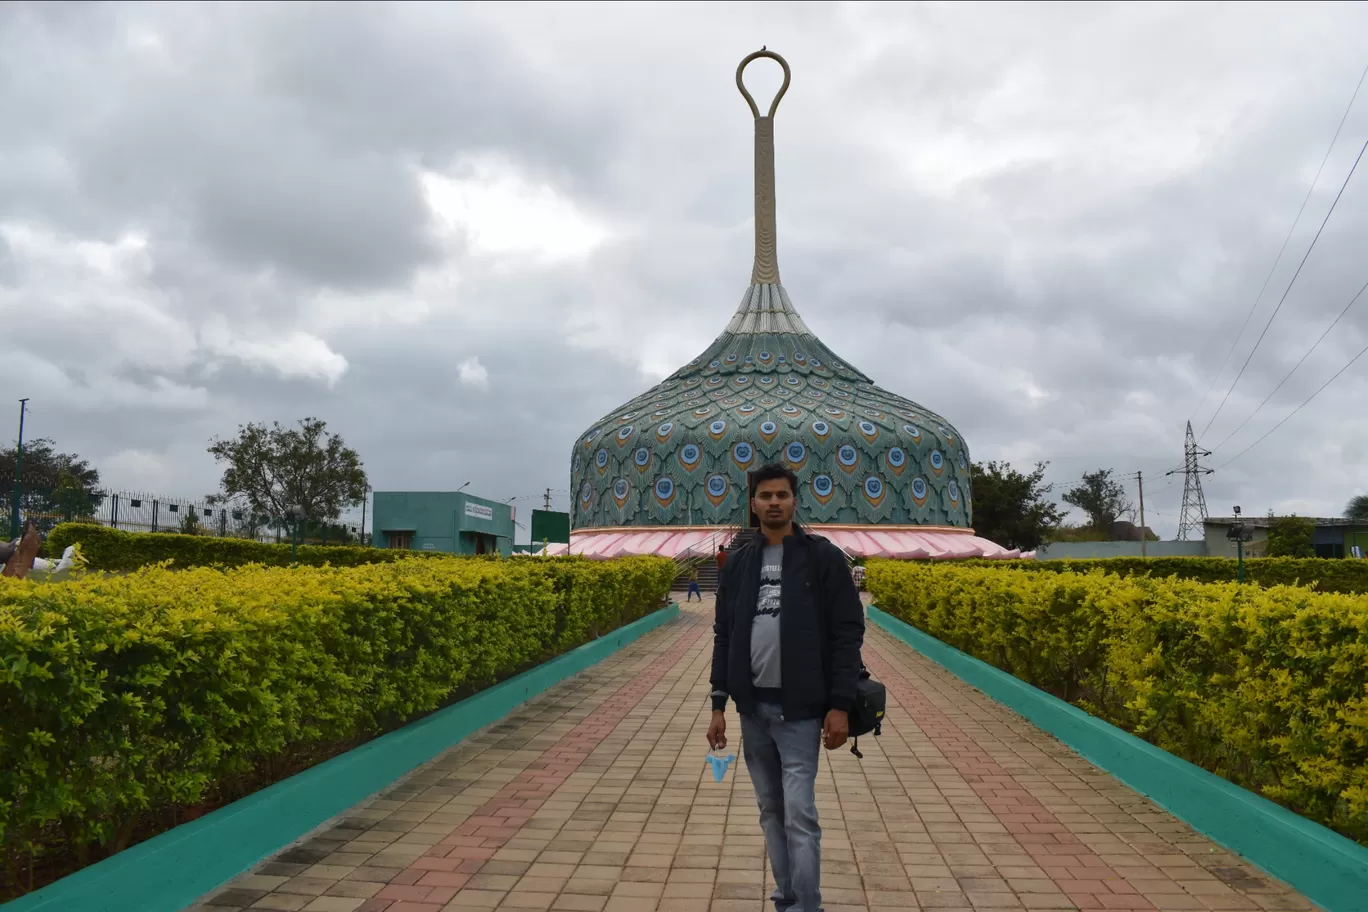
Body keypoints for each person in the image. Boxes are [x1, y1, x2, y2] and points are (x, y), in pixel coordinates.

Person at [705, 462, 865, 912]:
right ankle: (786, 897)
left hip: (800, 712)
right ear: (752, 504)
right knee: (771, 813)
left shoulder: (821, 557)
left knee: (800, 816)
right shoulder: (738, 561)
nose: (774, 502)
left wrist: (840, 704)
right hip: (752, 710)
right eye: (765, 496)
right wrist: (719, 704)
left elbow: (847, 632)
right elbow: (724, 633)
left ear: (795, 501)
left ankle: (806, 905)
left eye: (782, 495)